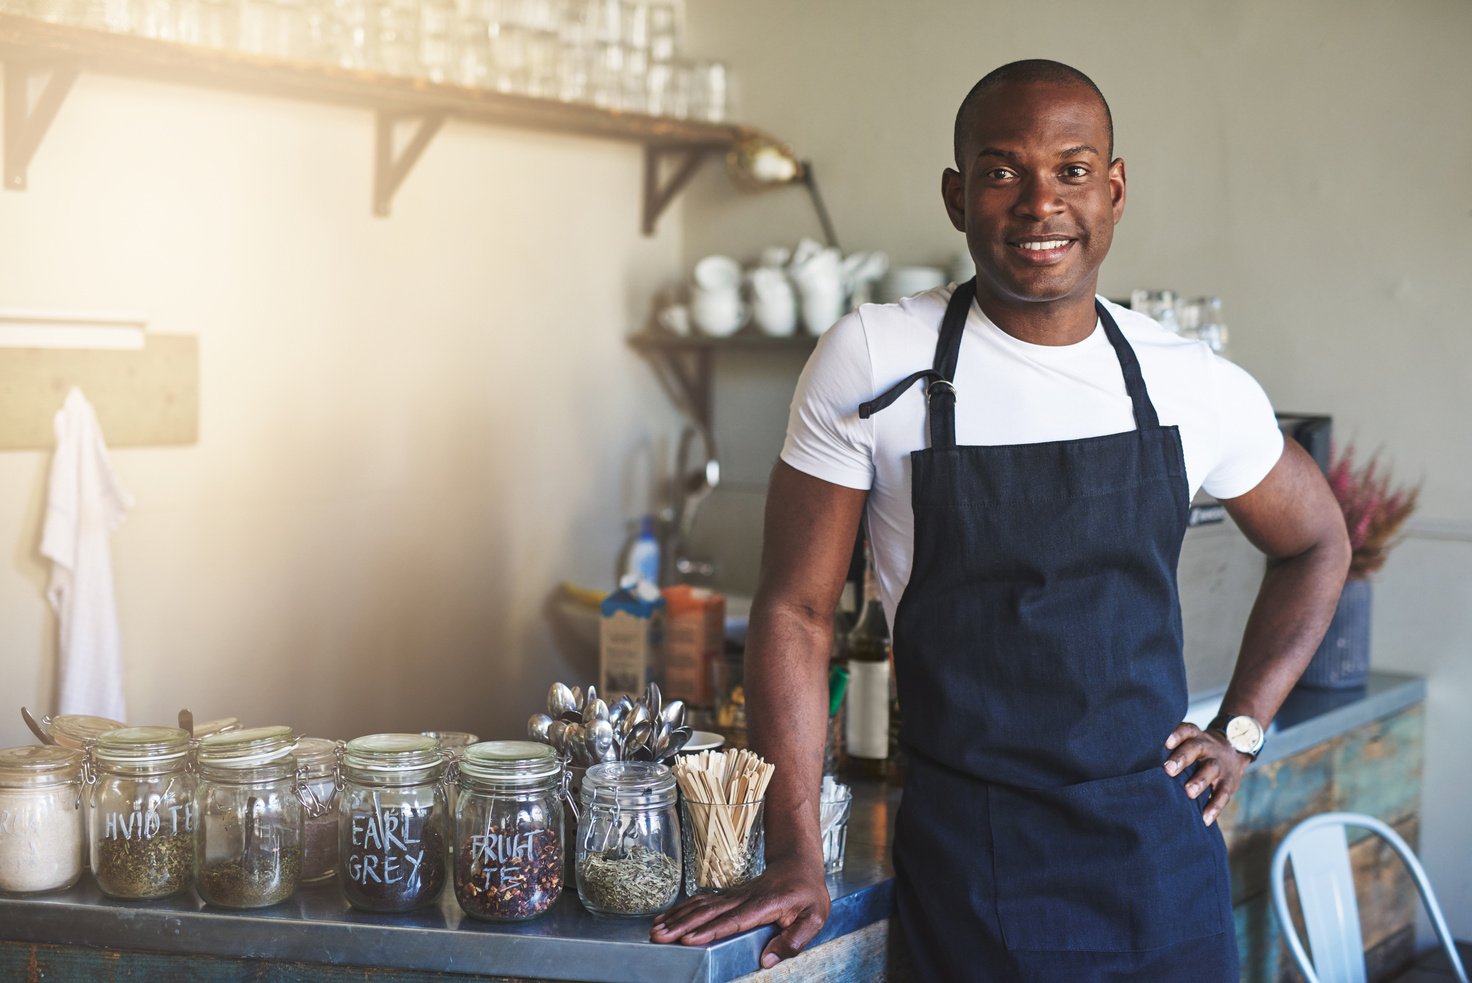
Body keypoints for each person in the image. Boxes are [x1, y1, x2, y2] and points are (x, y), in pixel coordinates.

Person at [650, 59, 1350, 981]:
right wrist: (797, 854)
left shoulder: (1189, 380)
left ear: (1115, 188)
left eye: (1071, 168)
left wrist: (1244, 728)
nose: (1039, 202)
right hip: (973, 863)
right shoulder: (871, 357)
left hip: (1161, 865)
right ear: (956, 196)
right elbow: (796, 612)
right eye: (1001, 170)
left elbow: (1317, 542)